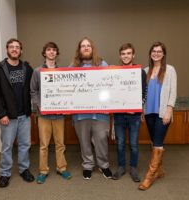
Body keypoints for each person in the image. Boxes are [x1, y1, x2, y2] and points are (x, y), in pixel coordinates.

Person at [0, 38, 34, 188]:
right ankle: (5, 173)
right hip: (8, 116)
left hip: (25, 115)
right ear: (7, 50)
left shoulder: (27, 68)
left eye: (17, 47)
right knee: (7, 146)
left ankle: (24, 170)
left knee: (25, 144)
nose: (14, 49)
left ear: (21, 50)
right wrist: (1, 114)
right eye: (12, 47)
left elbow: (33, 89)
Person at [71, 37, 112, 180]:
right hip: (80, 114)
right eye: (83, 46)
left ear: (92, 48)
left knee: (101, 139)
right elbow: (68, 90)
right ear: (79, 49)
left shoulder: (102, 64)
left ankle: (103, 165)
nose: (86, 47)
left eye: (88, 45)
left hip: (100, 113)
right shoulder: (73, 67)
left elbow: (111, 85)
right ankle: (87, 165)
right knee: (84, 141)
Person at [30, 42, 71, 184]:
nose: (51, 52)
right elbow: (33, 91)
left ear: (57, 53)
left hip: (59, 114)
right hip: (44, 115)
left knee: (60, 144)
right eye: (49, 50)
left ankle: (61, 168)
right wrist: (40, 106)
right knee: (43, 145)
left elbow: (66, 90)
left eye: (54, 50)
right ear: (44, 53)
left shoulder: (63, 71)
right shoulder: (37, 71)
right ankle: (43, 171)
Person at [138, 42, 177, 190]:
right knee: (154, 141)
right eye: (154, 51)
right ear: (150, 53)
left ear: (163, 54)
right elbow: (143, 93)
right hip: (149, 112)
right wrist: (142, 110)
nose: (156, 53)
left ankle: (150, 175)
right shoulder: (146, 70)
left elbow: (173, 92)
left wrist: (169, 110)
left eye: (159, 51)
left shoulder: (170, 70)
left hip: (162, 113)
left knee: (158, 142)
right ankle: (159, 169)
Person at [112, 43, 147, 182]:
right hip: (119, 114)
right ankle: (121, 167)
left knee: (133, 144)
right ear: (120, 56)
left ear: (133, 55)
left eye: (128, 53)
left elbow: (144, 92)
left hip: (134, 115)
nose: (125, 56)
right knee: (120, 143)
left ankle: (133, 168)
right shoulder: (115, 71)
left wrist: (138, 107)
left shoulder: (140, 72)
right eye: (123, 54)